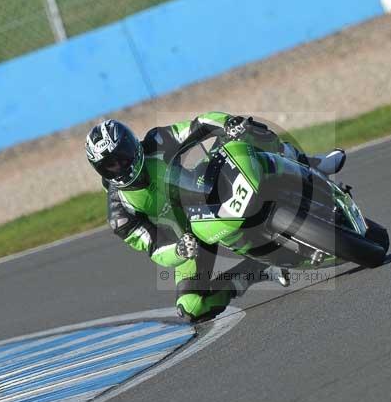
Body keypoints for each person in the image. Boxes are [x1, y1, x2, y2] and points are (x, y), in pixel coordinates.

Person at [85, 112, 346, 322]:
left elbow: (198, 125)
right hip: (189, 238)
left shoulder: (157, 141)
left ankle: (311, 163)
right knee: (191, 307)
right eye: (111, 164)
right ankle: (258, 269)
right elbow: (155, 248)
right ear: (101, 170)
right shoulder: (120, 214)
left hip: (207, 185)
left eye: (122, 155)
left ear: (133, 143)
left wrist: (228, 124)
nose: (121, 165)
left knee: (249, 132)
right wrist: (178, 249)